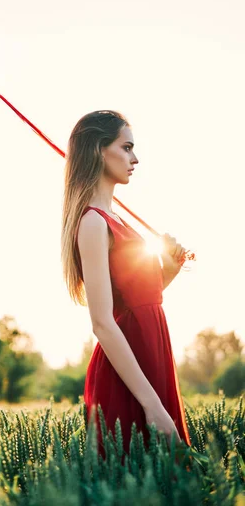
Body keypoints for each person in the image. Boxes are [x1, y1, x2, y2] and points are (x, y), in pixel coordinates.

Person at [61, 109, 191, 457]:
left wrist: (169, 271)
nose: (135, 158)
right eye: (127, 147)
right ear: (99, 151)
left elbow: (136, 300)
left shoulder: (115, 218)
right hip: (129, 374)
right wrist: (151, 405)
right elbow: (103, 322)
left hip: (150, 353)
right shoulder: (93, 223)